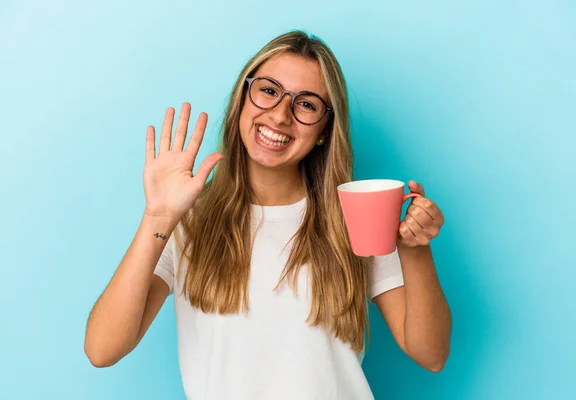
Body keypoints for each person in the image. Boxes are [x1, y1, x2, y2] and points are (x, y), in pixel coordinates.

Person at [84, 30, 452, 399]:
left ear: (325, 130)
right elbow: (102, 350)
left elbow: (430, 354)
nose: (279, 115)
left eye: (306, 104)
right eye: (269, 90)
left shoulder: (355, 214)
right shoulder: (187, 220)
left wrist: (415, 249)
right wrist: (158, 217)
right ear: (242, 99)